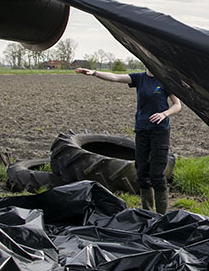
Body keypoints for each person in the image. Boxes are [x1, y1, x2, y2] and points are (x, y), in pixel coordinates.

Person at [75, 65, 182, 213]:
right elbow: (115, 77)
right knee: (142, 172)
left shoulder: (164, 80)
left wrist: (164, 114)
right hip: (142, 130)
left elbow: (177, 105)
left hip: (160, 131)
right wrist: (94, 73)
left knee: (157, 174)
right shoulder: (139, 78)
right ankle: (148, 213)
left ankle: (162, 216)